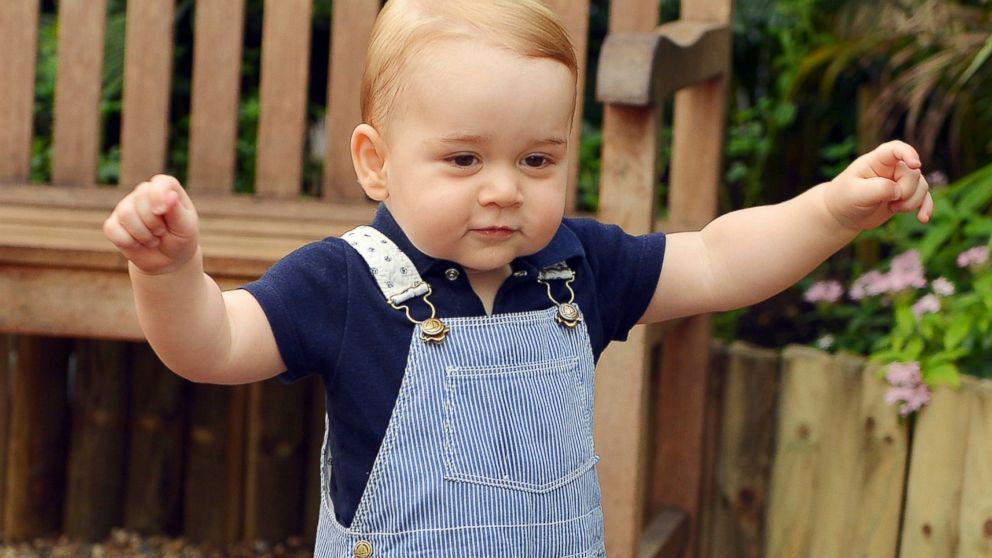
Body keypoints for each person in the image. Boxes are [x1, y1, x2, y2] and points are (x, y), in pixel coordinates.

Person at [102, 0, 933, 555]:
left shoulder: (578, 266)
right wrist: (172, 272)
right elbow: (211, 344)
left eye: (537, 159)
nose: (504, 188)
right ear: (376, 162)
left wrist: (831, 211)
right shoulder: (345, 283)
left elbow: (716, 259)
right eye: (464, 159)